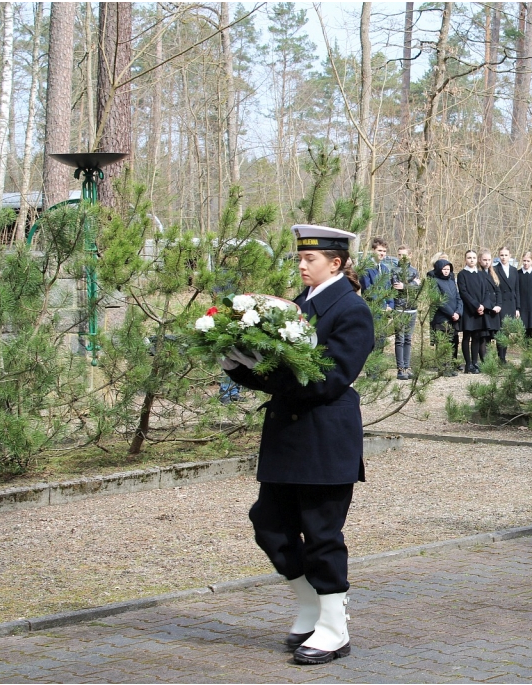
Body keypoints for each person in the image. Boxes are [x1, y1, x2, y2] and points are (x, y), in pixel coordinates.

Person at [222, 225, 374, 663]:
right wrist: (237, 364)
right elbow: (277, 373)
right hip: (288, 436)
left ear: (337, 263)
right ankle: (311, 605)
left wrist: (267, 371)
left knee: (322, 533)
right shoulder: (296, 305)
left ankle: (334, 628)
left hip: (325, 436)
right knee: (268, 523)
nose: (302, 265)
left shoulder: (350, 310)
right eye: (300, 259)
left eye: (311, 259)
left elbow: (328, 381)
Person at [457, 250, 494, 374]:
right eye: (469, 257)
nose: (471, 260)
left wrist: (483, 305)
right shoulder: (462, 274)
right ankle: (468, 364)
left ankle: (475, 362)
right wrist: (476, 305)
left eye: (473, 257)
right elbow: (464, 292)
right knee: (467, 336)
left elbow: (486, 292)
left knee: (477, 337)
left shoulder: (480, 274)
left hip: (480, 311)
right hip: (469, 310)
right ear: (465, 259)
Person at [392, 245, 422, 381]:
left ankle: (407, 366)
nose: (401, 257)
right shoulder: (395, 270)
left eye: (404, 255)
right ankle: (400, 368)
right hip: (400, 308)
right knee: (400, 339)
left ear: (410, 255)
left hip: (412, 308)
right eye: (399, 255)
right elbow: (397, 287)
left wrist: (406, 286)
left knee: (408, 339)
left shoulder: (414, 271)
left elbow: (418, 288)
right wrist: (410, 285)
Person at [361, 237, 394, 353]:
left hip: (385, 312)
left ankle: (378, 369)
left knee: (381, 340)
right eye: (380, 251)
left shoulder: (385, 269)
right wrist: (383, 305)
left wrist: (391, 305)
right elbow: (368, 289)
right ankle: (372, 371)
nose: (382, 254)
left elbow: (389, 288)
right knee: (372, 341)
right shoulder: (366, 267)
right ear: (373, 250)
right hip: (372, 309)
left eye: (384, 251)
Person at [429, 258, 462, 376]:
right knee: (442, 342)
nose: (446, 271)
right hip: (441, 317)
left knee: (451, 341)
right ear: (439, 269)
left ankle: (449, 365)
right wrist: (451, 313)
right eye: (444, 269)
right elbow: (438, 301)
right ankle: (442, 367)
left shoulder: (451, 281)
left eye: (448, 269)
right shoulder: (434, 281)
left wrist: (458, 312)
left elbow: (458, 297)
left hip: (454, 317)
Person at [493, 247, 520, 361]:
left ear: (510, 256)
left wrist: (517, 307)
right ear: (499, 256)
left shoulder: (514, 270)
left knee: (507, 331)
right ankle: (501, 357)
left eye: (506, 255)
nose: (504, 257)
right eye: (501, 255)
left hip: (511, 303)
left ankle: (504, 355)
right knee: (501, 330)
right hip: (501, 303)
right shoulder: (495, 269)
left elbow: (516, 289)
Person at [478, 249, 503, 363]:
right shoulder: (478, 273)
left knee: (493, 335)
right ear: (480, 260)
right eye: (484, 260)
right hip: (485, 309)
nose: (487, 262)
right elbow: (481, 293)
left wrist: (498, 305)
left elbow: (498, 291)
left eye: (489, 260)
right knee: (484, 337)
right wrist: (488, 306)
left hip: (495, 310)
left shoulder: (493, 273)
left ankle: (494, 360)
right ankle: (485, 361)